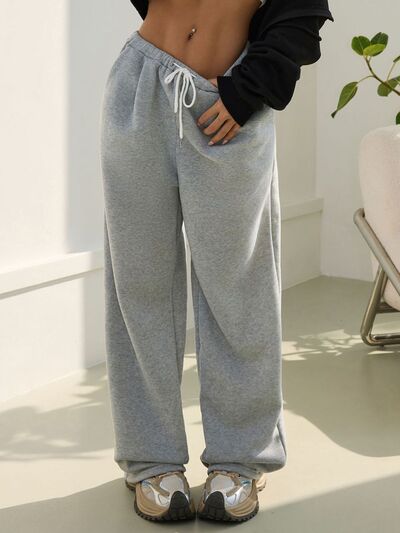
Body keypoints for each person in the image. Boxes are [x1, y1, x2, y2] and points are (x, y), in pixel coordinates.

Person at [100, 0, 333, 523]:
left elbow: (304, 12)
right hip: (140, 82)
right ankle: (150, 459)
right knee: (139, 282)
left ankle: (241, 458)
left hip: (227, 103)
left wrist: (247, 90)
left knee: (240, 288)